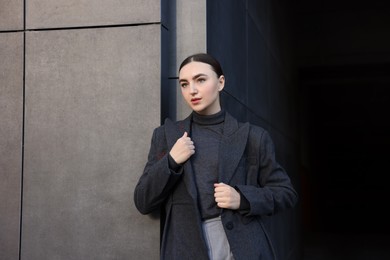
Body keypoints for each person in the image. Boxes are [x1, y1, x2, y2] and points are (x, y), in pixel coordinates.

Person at [134, 53, 298, 260]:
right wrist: (171, 160)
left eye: (200, 80)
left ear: (220, 83)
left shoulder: (252, 137)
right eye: (184, 84)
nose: (192, 90)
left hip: (241, 247)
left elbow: (285, 193)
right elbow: (143, 201)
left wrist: (243, 198)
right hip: (186, 246)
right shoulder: (167, 136)